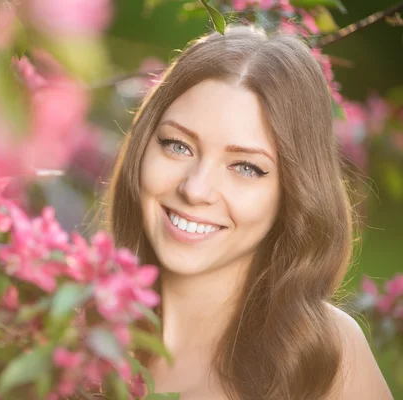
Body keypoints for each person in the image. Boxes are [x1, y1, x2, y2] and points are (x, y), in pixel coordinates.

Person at [104, 25, 393, 400]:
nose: (195, 189)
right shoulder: (63, 335)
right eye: (177, 146)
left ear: (293, 193)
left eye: (245, 167)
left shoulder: (326, 356)